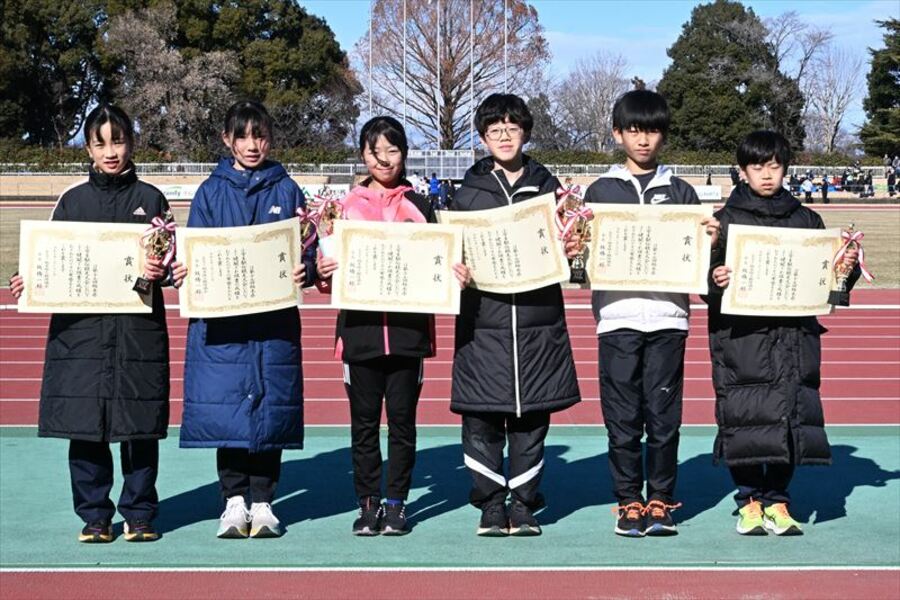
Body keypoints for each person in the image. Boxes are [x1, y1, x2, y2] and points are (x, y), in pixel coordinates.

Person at [9, 104, 176, 543]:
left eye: (118, 141)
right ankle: (95, 516)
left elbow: (173, 264)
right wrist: (30, 279)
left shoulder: (152, 200)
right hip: (81, 334)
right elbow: (48, 262)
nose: (111, 152)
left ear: (131, 143)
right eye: (100, 144)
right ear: (88, 148)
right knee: (85, 426)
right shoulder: (72, 201)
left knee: (140, 426)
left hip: (138, 334)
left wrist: (162, 270)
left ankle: (140, 513)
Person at [316, 116, 469, 536]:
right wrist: (323, 271)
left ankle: (397, 503)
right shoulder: (343, 208)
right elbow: (326, 274)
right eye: (375, 151)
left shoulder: (421, 206)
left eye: (392, 150)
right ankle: (367, 504)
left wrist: (454, 273)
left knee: (402, 425)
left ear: (404, 154)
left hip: (407, 336)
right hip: (359, 334)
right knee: (363, 426)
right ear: (362, 154)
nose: (383, 159)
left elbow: (440, 264)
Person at [706, 131, 860, 536]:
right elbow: (703, 277)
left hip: (794, 339)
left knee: (791, 418)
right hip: (741, 340)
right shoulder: (725, 220)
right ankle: (748, 501)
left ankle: (777, 500)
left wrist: (846, 268)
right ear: (742, 171)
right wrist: (715, 278)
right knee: (743, 419)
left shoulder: (807, 220)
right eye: (757, 166)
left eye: (774, 166)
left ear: (786, 169)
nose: (766, 174)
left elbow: (831, 286)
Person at [175, 100, 316, 539]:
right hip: (224, 326)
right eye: (243, 136)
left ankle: (264, 501)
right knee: (229, 411)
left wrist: (307, 269)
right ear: (227, 140)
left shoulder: (288, 190)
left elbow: (308, 247)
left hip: (273, 325)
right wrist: (186, 270)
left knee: (270, 409)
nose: (252, 145)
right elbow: (195, 252)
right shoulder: (209, 192)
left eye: (260, 136)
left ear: (270, 139)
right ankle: (233, 500)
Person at [582, 90, 719, 538]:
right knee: (622, 419)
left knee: (663, 418)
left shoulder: (681, 192)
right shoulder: (600, 191)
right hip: (617, 318)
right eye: (634, 130)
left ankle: (660, 498)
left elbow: (698, 258)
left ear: (664, 135)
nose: (643, 140)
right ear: (617, 134)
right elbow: (583, 256)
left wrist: (709, 241)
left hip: (667, 319)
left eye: (653, 131)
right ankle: (628, 500)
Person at [450, 93, 582, 537]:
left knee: (532, 418)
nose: (504, 137)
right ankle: (490, 503)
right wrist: (454, 268)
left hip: (536, 323)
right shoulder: (466, 194)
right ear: (483, 138)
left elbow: (569, 245)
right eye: (494, 130)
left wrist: (570, 248)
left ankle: (524, 503)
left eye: (512, 128)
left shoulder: (550, 189)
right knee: (481, 417)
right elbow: (447, 254)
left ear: (525, 132)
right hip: (482, 325)